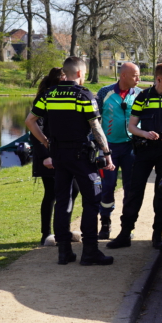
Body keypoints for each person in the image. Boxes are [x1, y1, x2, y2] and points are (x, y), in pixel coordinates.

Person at [25, 56, 115, 266]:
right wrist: (107, 152)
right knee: (92, 200)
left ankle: (64, 252)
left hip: (59, 156)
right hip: (81, 156)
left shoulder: (49, 94)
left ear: (65, 73)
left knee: (63, 201)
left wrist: (45, 141)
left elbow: (30, 121)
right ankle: (90, 251)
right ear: (81, 74)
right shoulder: (83, 95)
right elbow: (95, 126)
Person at [107, 62, 162, 250]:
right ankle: (125, 233)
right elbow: (131, 126)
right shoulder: (143, 97)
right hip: (144, 152)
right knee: (134, 193)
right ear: (159, 79)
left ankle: (158, 235)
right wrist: (145, 134)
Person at [30, 68, 79, 246]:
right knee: (51, 193)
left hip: (63, 152)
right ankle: (46, 234)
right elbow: (34, 129)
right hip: (48, 156)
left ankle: (63, 230)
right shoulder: (44, 98)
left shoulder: (64, 98)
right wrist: (45, 155)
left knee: (73, 190)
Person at [95, 62, 141, 239]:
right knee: (107, 187)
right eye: (135, 75)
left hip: (131, 148)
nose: (139, 78)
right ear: (123, 76)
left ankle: (127, 226)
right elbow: (94, 121)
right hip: (109, 149)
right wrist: (98, 145)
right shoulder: (104, 93)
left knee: (131, 189)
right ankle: (105, 223)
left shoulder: (139, 94)